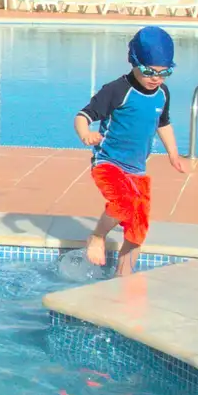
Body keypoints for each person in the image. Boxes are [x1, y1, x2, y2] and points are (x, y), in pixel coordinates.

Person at [74, 26, 189, 276]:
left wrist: (173, 154)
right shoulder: (117, 90)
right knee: (122, 204)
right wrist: (86, 134)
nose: (155, 78)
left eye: (164, 72)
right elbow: (83, 115)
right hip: (109, 163)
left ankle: (122, 277)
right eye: (148, 71)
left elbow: (163, 123)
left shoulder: (162, 93)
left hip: (137, 170)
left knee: (138, 228)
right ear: (134, 62)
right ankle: (97, 236)